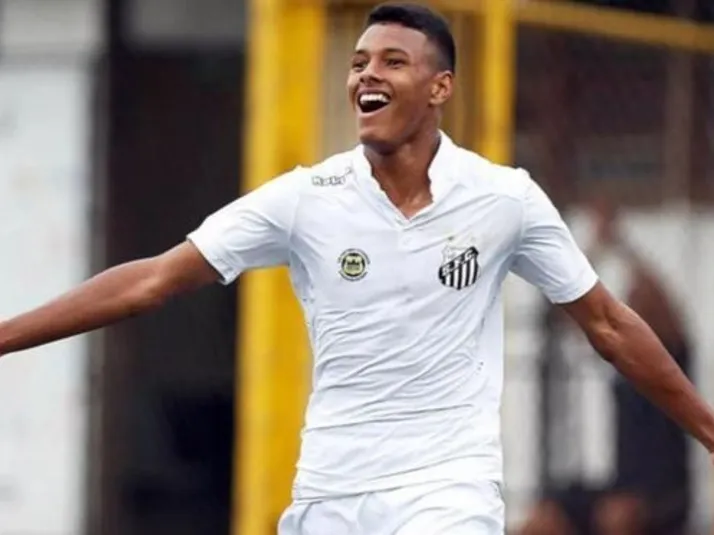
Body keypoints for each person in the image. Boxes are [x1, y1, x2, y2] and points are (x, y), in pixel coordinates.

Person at [0, 3, 712, 534]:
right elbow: (151, 280)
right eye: (359, 62)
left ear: (440, 88)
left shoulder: (506, 200)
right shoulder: (305, 199)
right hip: (331, 495)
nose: (368, 73)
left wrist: (709, 430)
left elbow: (609, 324)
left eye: (393, 62)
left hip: (447, 493)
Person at [521, 198, 691, 535]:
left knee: (617, 517)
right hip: (616, 483)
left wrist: (622, 247)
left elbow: (657, 296)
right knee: (543, 518)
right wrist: (595, 249)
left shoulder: (673, 356)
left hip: (661, 490)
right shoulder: (618, 358)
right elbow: (571, 304)